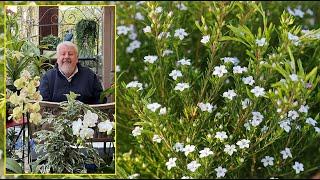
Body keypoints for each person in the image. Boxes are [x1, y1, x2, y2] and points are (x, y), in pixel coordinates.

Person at [39, 41, 105, 104]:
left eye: (70, 54)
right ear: (57, 59)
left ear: (77, 58)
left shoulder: (89, 76)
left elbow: (101, 100)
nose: (66, 57)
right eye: (63, 54)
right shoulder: (48, 77)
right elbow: (43, 103)